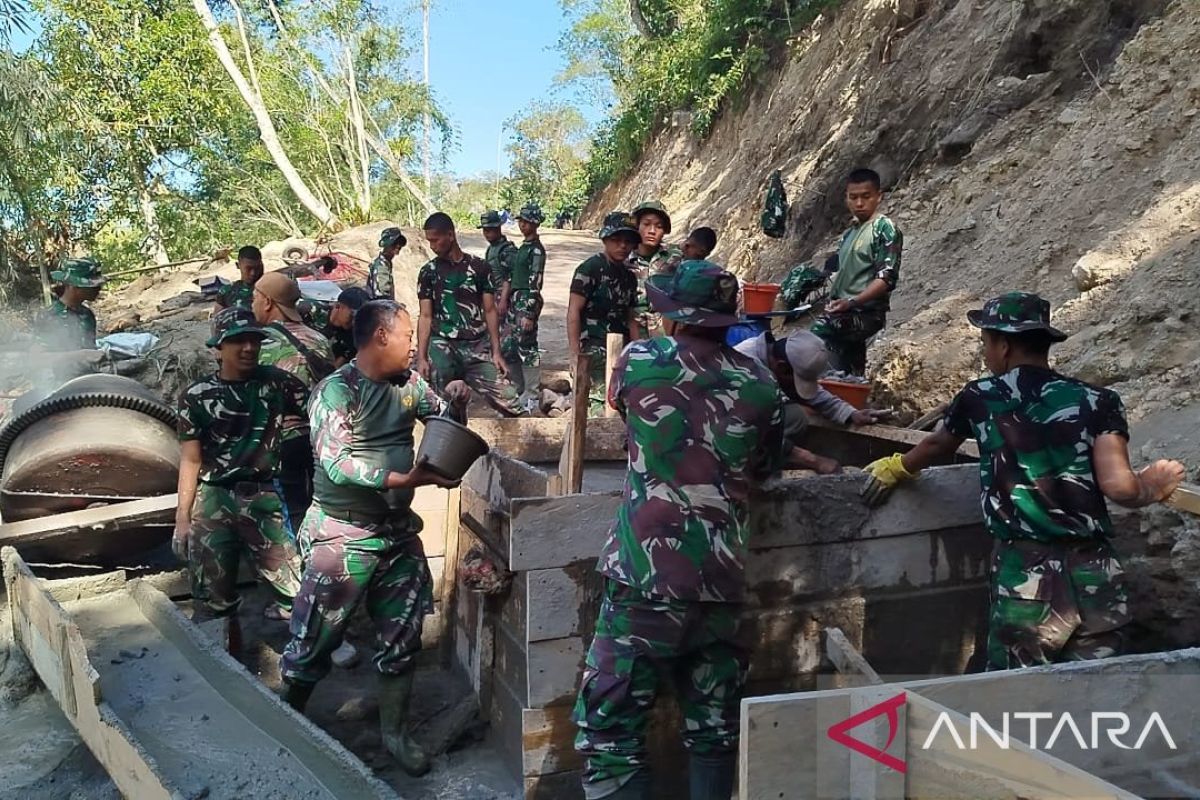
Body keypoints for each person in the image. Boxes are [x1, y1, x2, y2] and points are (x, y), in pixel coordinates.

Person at [862, 292, 1186, 671]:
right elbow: (1120, 488)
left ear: (1004, 345)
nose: (986, 353)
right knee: (1100, 685)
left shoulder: (981, 397)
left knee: (1017, 691)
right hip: (1095, 573)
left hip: (1028, 576)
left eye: (986, 343)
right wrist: (1153, 485)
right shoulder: (1099, 400)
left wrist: (898, 467)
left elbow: (937, 444)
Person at [572, 260, 788, 800]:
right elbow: (764, 467)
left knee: (611, 731)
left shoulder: (639, 360)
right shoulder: (763, 384)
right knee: (713, 728)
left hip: (645, 576)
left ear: (673, 314)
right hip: (721, 580)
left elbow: (625, 416)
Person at [279, 300, 467, 775]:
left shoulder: (409, 385)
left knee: (402, 637)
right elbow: (337, 465)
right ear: (382, 336)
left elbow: (444, 425)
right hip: (343, 536)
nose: (413, 345)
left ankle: (395, 735)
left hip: (397, 535)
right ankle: (282, 730)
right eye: (407, 336)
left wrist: (458, 403)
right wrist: (406, 479)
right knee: (311, 644)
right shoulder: (335, 392)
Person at [173, 307, 308, 652]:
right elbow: (191, 459)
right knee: (212, 596)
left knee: (293, 583)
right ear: (218, 347)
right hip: (213, 499)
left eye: (254, 340)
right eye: (237, 341)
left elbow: (319, 412)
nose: (248, 348)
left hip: (262, 495)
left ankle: (317, 646)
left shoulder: (277, 383)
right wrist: (182, 518)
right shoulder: (196, 396)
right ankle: (225, 660)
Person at [415, 212, 524, 416]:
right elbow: (425, 316)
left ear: (450, 235)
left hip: (476, 346)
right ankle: (451, 429)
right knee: (441, 408)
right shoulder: (428, 272)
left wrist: (496, 352)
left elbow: (490, 310)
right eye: (429, 241)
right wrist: (421, 357)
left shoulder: (480, 268)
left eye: (435, 240)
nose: (432, 246)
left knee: (511, 400)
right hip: (443, 347)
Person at [734, 329, 888, 473]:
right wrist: (813, 460)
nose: (796, 387)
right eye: (796, 381)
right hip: (728, 434)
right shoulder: (745, 372)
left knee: (794, 416)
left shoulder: (775, 356)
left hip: (749, 416)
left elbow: (815, 396)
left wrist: (851, 413)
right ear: (781, 368)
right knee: (793, 418)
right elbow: (749, 433)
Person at [252, 272, 335, 534]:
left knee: (292, 512)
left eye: (254, 298)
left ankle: (300, 554)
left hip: (282, 443)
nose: (252, 305)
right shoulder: (319, 339)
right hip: (322, 438)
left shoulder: (259, 344)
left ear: (267, 302)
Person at [811, 168, 902, 375]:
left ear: (879, 196)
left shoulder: (884, 229)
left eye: (866, 197)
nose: (859, 203)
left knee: (815, 338)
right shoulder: (850, 233)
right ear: (846, 198)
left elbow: (886, 278)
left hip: (865, 313)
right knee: (851, 371)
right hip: (843, 310)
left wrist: (852, 302)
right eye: (853, 197)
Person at [568, 212, 641, 417]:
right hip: (593, 348)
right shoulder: (590, 269)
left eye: (628, 241)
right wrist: (574, 354)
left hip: (621, 348)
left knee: (621, 401)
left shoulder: (629, 277)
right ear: (605, 239)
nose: (623, 246)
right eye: (616, 240)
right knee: (597, 406)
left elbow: (631, 317)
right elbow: (574, 310)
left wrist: (638, 350)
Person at [500, 203, 547, 405]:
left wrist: (529, 312)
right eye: (521, 221)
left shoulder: (536, 250)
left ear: (535, 224)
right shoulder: (524, 247)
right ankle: (519, 388)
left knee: (527, 346)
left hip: (527, 299)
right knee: (510, 345)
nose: (522, 225)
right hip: (516, 299)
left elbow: (536, 282)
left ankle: (532, 392)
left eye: (527, 222)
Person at [628, 201, 683, 338]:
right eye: (646, 224)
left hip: (665, 331)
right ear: (637, 226)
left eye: (659, 226)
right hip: (630, 330)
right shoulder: (624, 257)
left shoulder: (676, 257)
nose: (652, 231)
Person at [35, 257, 105, 352]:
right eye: (93, 286)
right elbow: (39, 355)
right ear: (73, 286)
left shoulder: (87, 314)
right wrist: (80, 356)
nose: (98, 289)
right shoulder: (49, 316)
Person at [480, 210, 518, 313]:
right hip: (493, 295)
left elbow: (510, 278)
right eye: (484, 230)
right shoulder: (491, 249)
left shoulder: (507, 250)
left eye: (489, 230)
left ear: (498, 228)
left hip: (505, 297)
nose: (486, 234)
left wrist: (503, 300)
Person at [324, 287, 370, 367]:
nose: (355, 321)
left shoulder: (357, 334)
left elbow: (337, 366)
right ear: (338, 306)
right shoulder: (315, 314)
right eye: (352, 314)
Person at [367, 227, 407, 301]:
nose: (398, 246)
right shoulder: (381, 266)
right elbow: (382, 297)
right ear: (386, 245)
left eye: (399, 244)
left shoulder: (386, 263)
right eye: (394, 243)